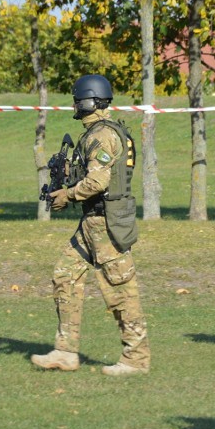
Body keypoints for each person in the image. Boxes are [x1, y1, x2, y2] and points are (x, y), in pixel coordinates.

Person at [31, 74, 151, 377]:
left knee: (121, 290)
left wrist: (68, 195)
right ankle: (65, 351)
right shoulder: (98, 133)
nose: (75, 105)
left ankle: (136, 359)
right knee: (65, 275)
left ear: (89, 101)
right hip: (92, 223)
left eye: (78, 99)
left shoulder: (103, 135)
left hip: (105, 223)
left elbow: (99, 180)